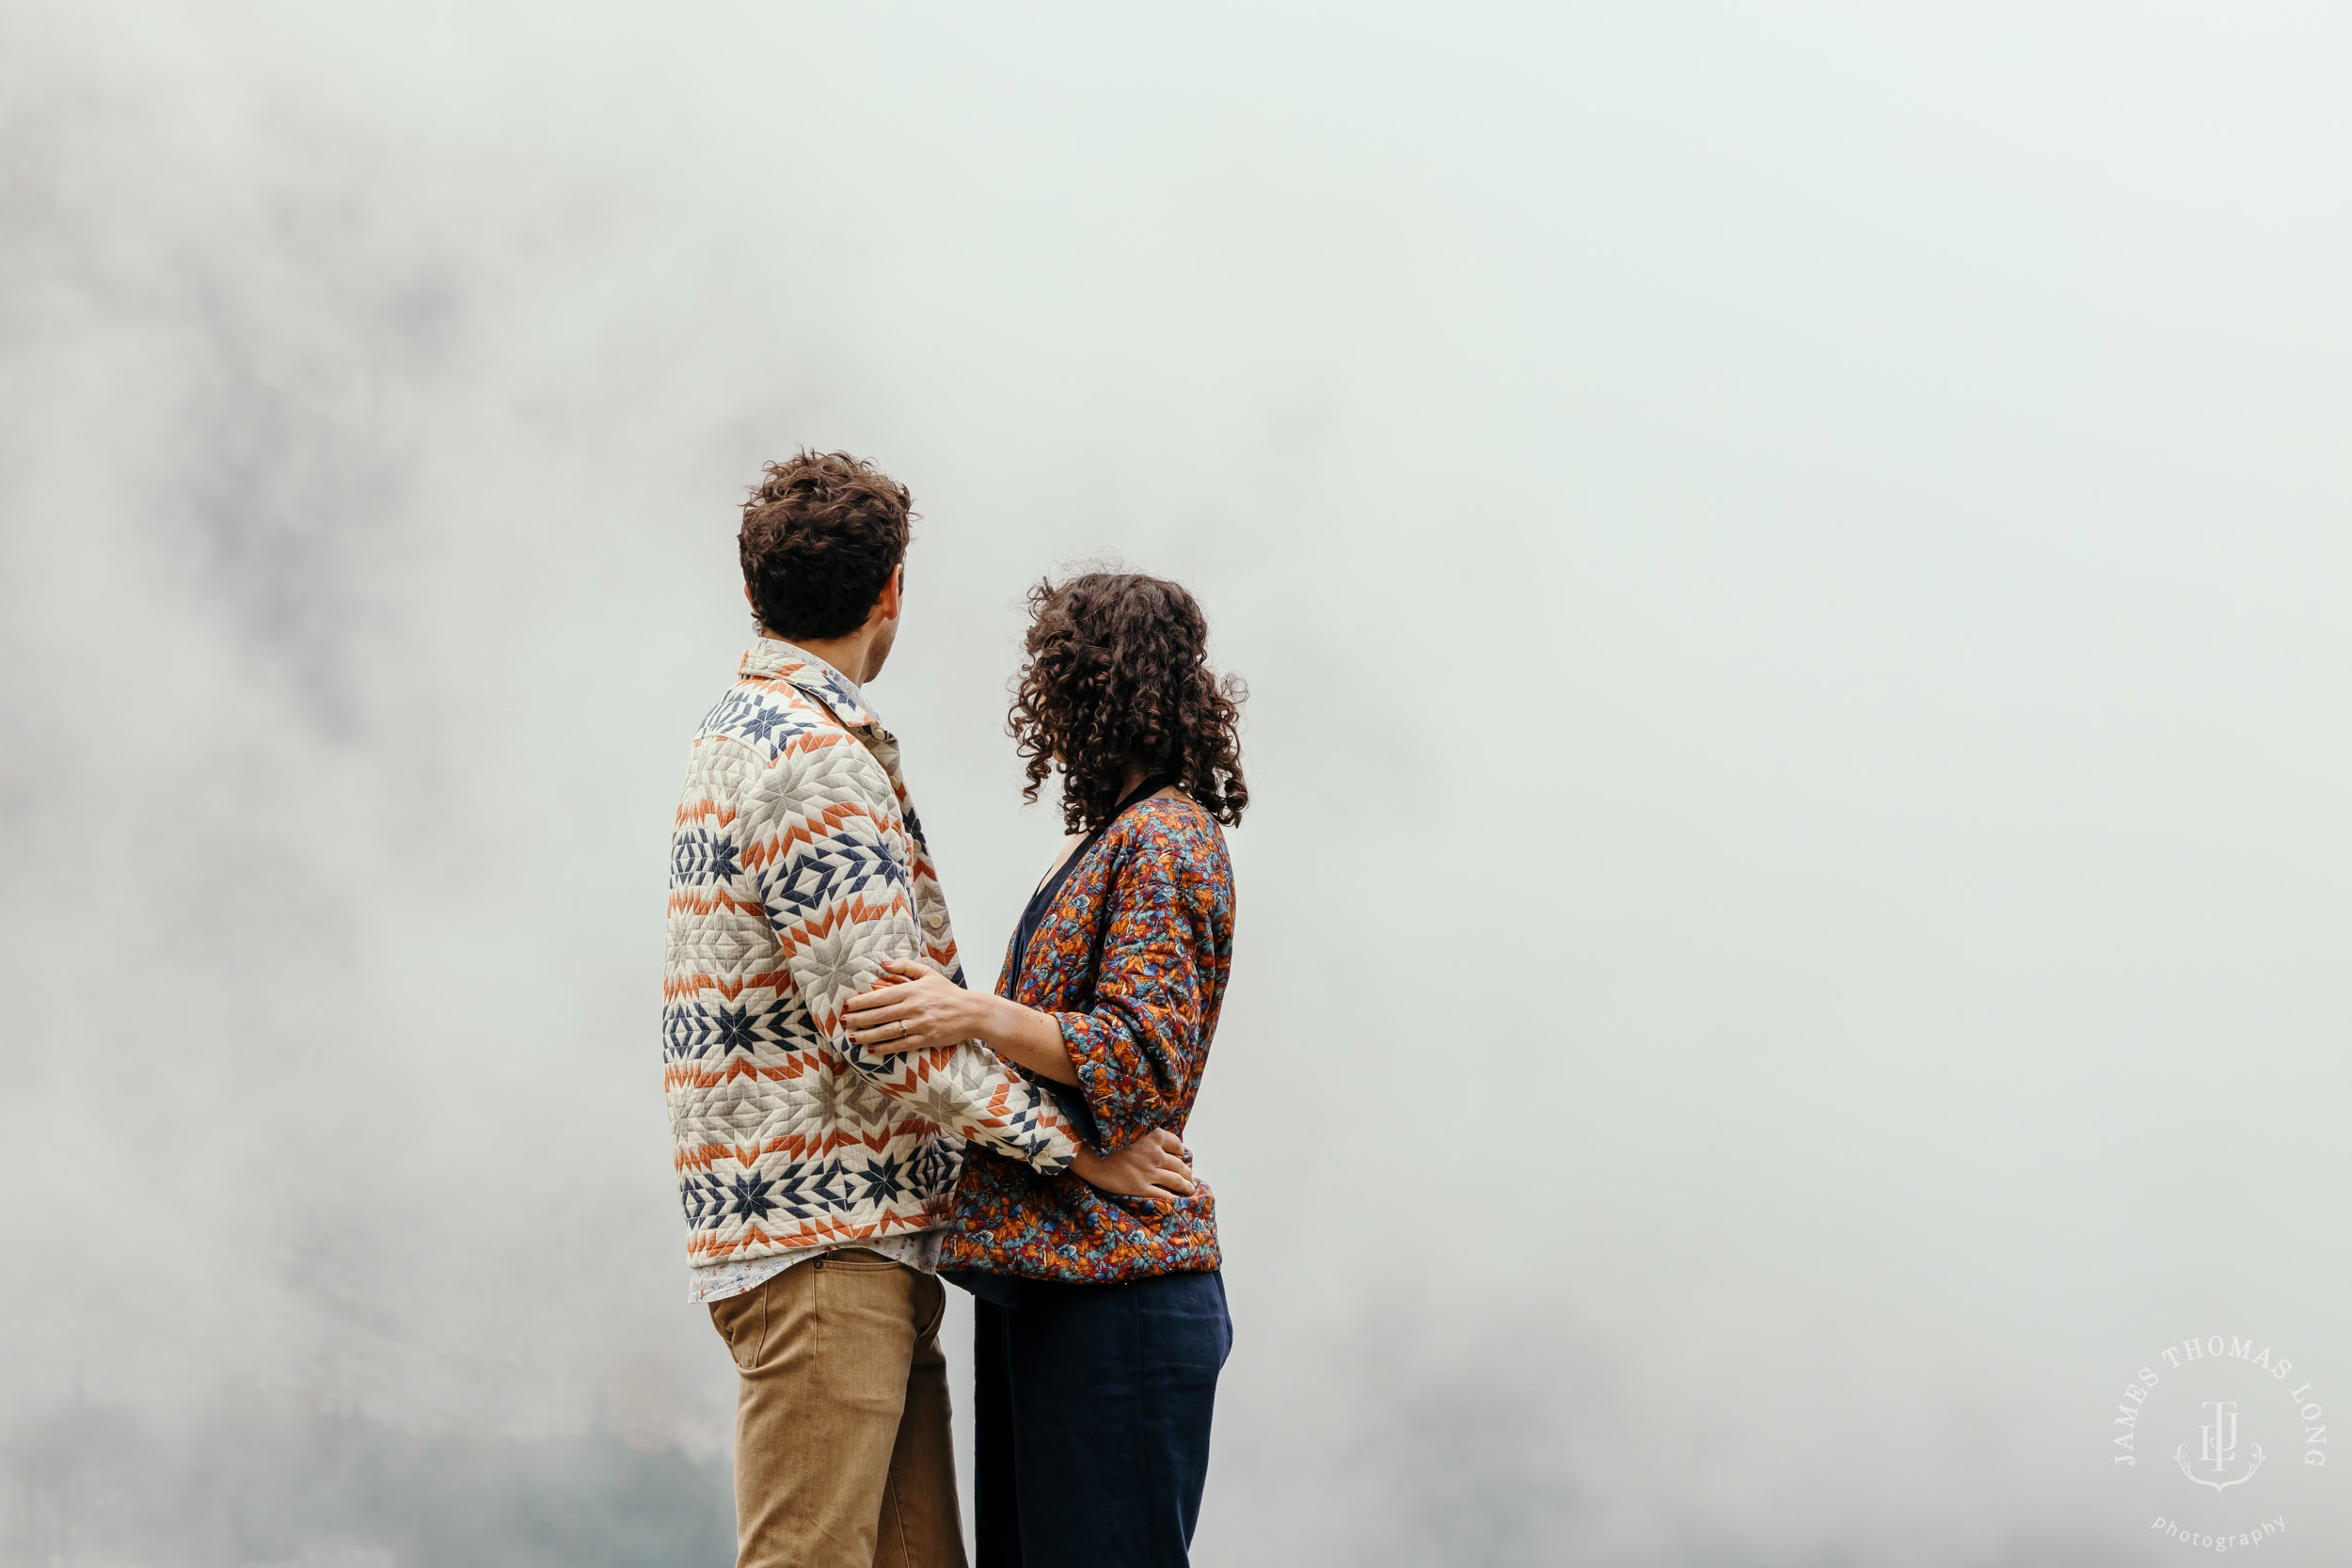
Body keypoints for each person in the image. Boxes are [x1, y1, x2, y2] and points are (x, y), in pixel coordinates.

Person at [663, 456, 1196, 1568]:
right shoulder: (812, 758)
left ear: (751, 589)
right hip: (826, 1238)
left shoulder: (739, 732)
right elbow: (888, 1027)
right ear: (891, 589)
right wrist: (1076, 1151)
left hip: (845, 1234)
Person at [844, 571, 1245, 1568]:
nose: (1048, 711)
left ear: (1092, 689)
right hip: (1057, 1277)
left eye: (1057, 682)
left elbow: (1139, 1055)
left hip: (1123, 1285)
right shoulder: (1113, 837)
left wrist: (972, 1012)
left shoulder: (1165, 839)